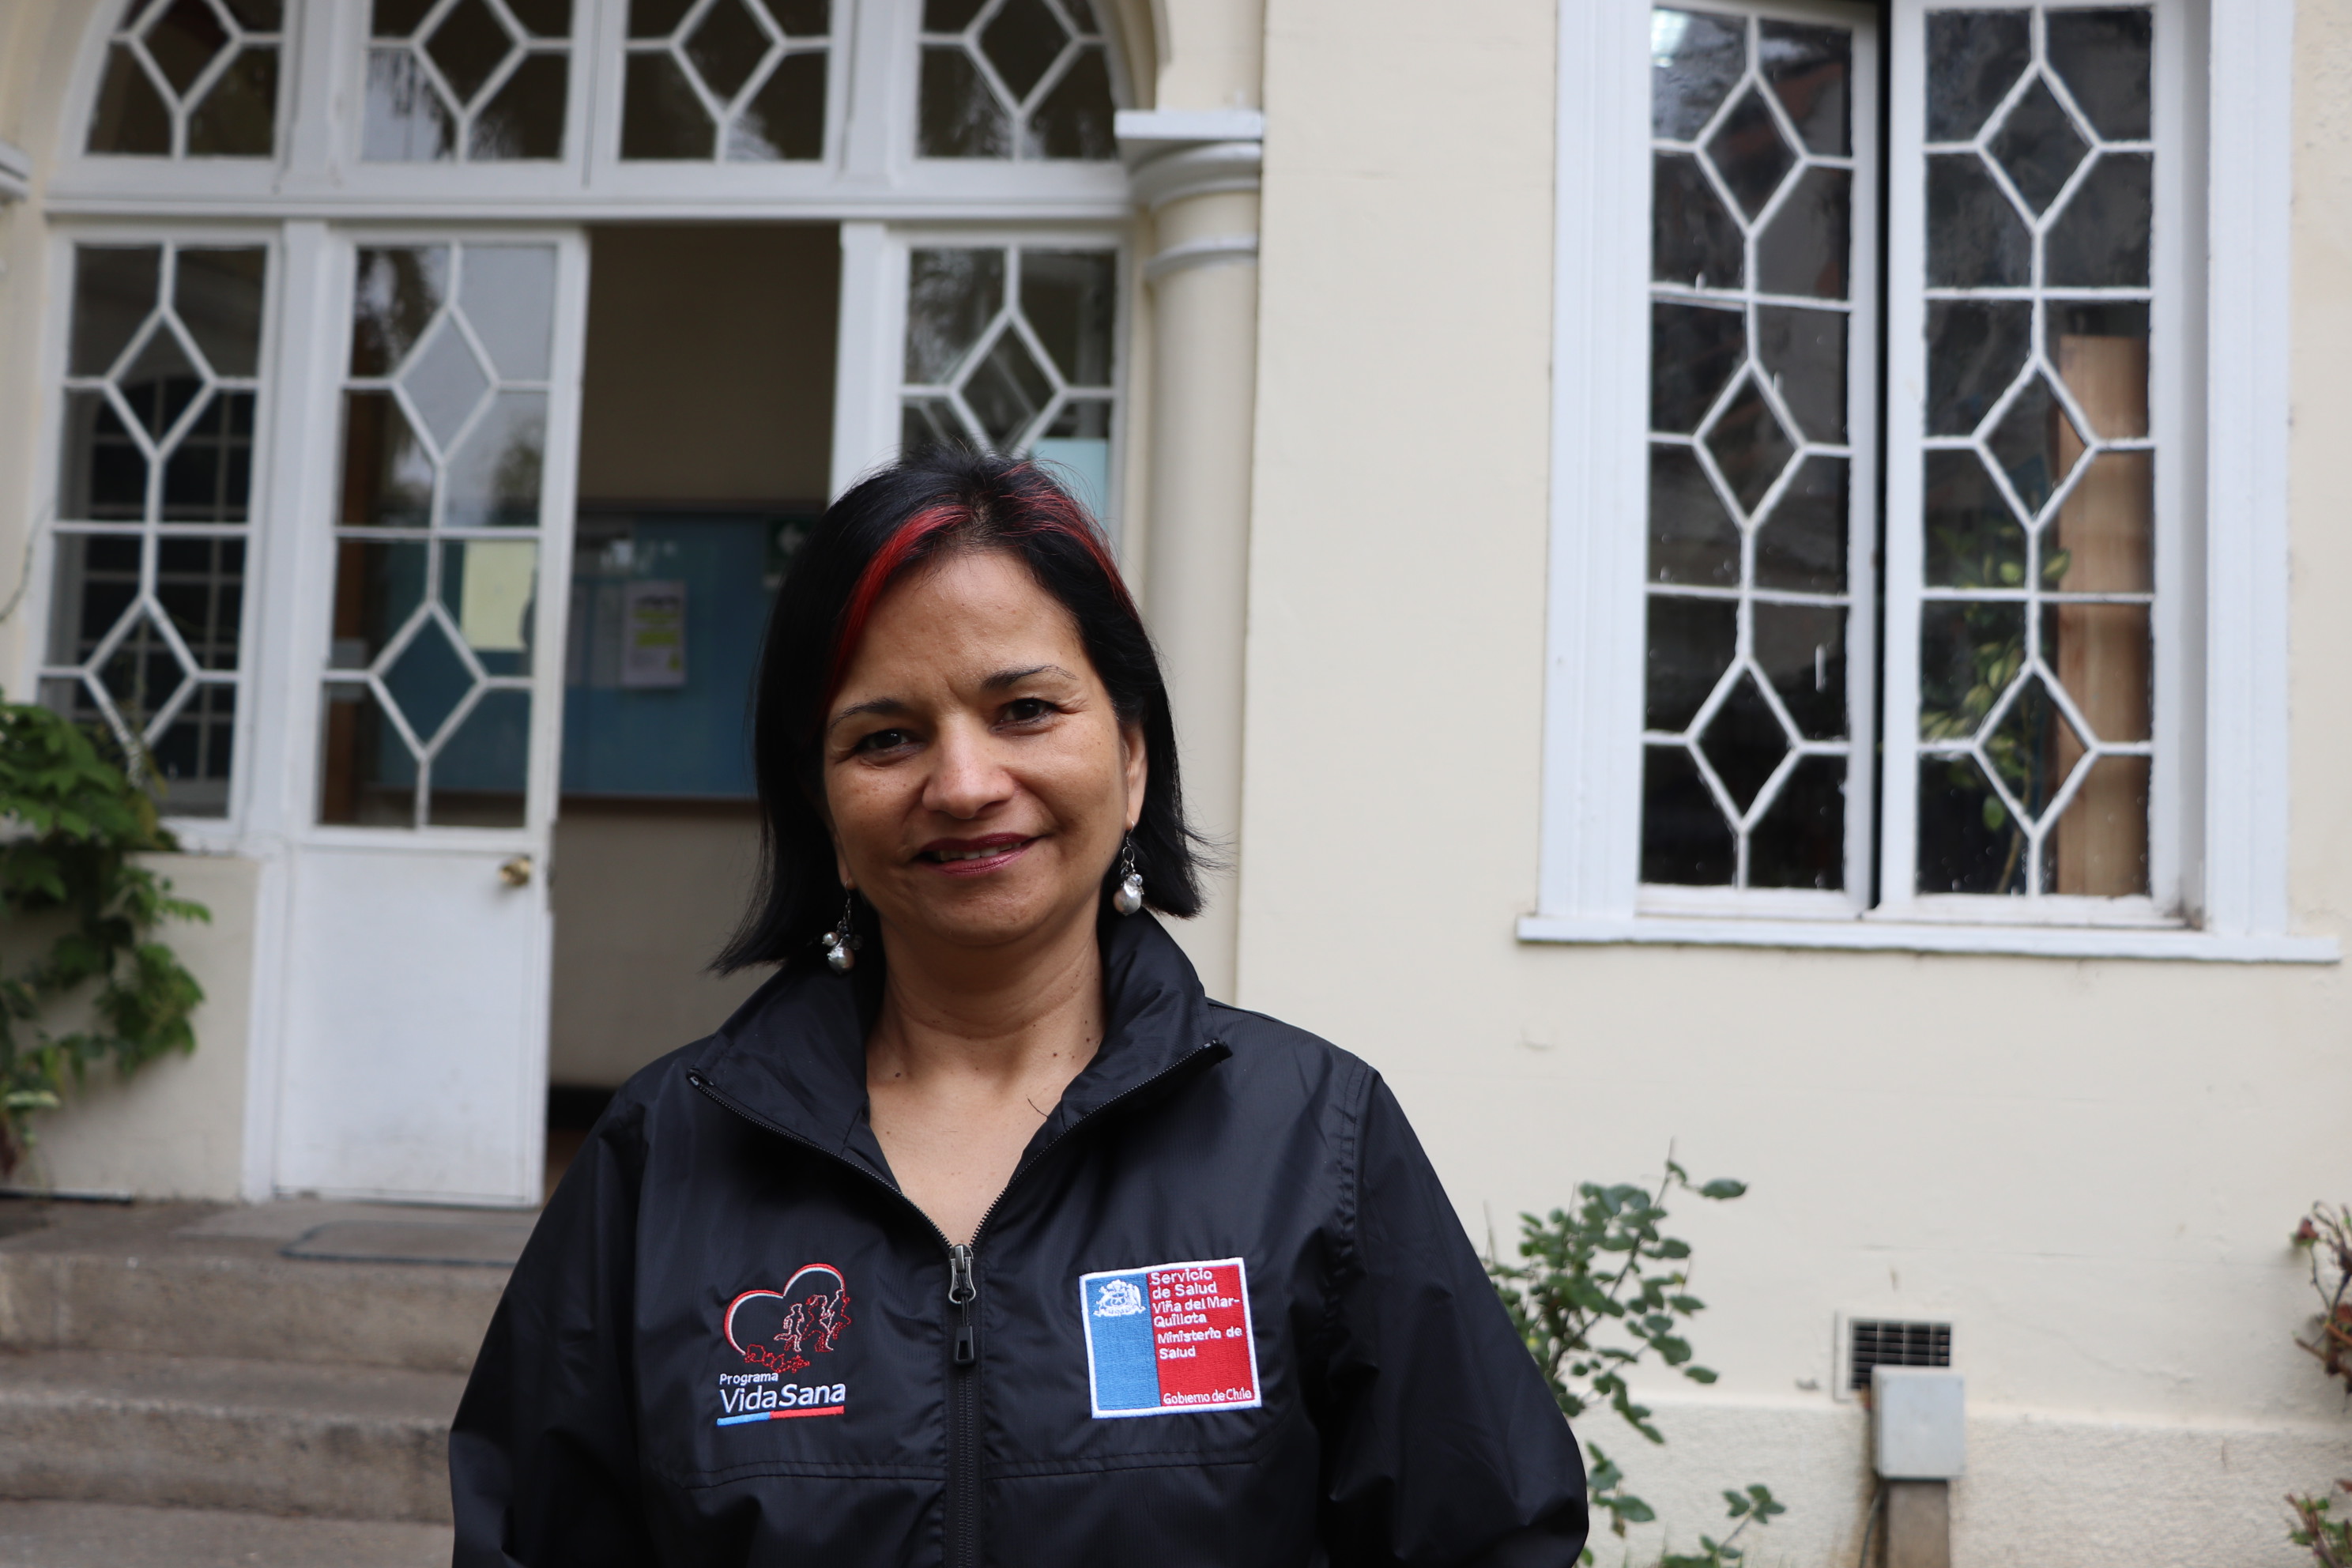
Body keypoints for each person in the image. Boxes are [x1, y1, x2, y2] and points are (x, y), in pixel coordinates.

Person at [448, 451, 1588, 1566]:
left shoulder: (1312, 1141)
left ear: (1132, 757)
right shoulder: (664, 1157)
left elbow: (1490, 1538)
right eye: (886, 738)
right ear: (824, 805)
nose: (963, 784)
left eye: (1026, 710)